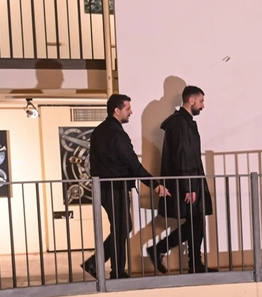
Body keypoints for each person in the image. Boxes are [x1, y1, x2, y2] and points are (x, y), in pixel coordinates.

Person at [81, 94, 164, 280]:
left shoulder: (99, 131)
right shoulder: (117, 134)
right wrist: (155, 185)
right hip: (115, 187)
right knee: (121, 228)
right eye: (128, 108)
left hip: (104, 187)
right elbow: (132, 164)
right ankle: (115, 271)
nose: (131, 112)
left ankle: (99, 264)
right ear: (117, 110)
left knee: (122, 227)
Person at [146, 85, 213, 274]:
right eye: (201, 101)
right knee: (196, 221)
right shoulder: (181, 123)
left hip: (188, 181)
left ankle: (191, 261)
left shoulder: (183, 122)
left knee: (195, 221)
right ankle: (188, 261)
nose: (203, 106)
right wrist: (189, 186)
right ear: (191, 101)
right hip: (188, 183)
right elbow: (183, 156)